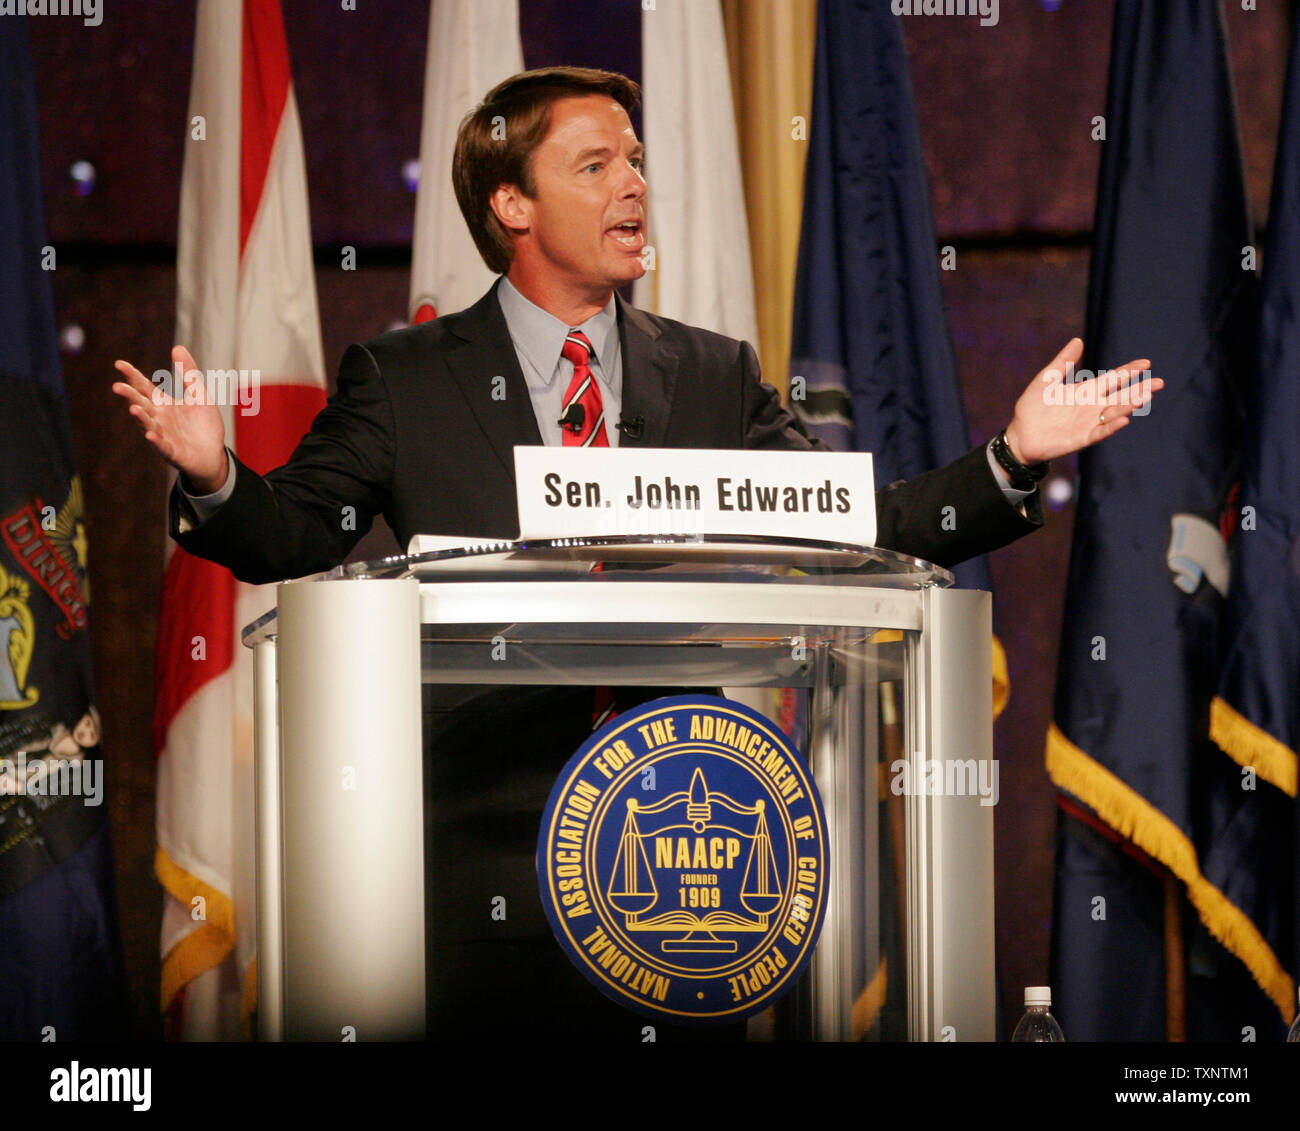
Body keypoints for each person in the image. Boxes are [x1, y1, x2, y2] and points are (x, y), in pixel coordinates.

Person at [111, 67, 1161, 1038]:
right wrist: (213, 474)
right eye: (596, 164)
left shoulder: (710, 374)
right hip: (479, 861)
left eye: (640, 162)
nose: (634, 187)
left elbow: (851, 525)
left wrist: (1010, 458)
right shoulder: (407, 378)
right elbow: (294, 536)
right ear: (511, 206)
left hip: (684, 861)